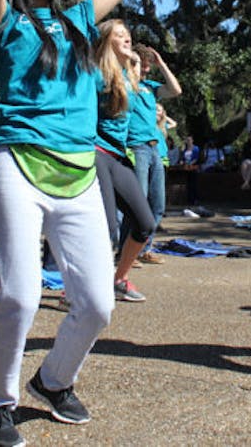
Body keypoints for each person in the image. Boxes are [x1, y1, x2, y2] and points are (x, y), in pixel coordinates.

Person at [0, 0, 136, 445]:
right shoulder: (4, 22)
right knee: (20, 296)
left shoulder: (80, 20)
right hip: (17, 162)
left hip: (80, 170)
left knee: (98, 302)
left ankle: (53, 380)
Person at [94, 19, 156, 302]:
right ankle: (74, 290)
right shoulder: (97, 74)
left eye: (128, 34)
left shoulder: (129, 75)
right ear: (107, 42)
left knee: (145, 223)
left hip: (120, 155)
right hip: (96, 152)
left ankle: (119, 279)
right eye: (119, 35)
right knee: (106, 230)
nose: (127, 38)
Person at [127, 44, 182, 261]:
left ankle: (143, 249)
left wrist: (162, 64)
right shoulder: (125, 83)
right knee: (137, 202)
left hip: (154, 150)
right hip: (136, 148)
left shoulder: (150, 87)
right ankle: (127, 251)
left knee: (157, 204)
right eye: (144, 66)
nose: (147, 70)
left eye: (150, 66)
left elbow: (176, 90)